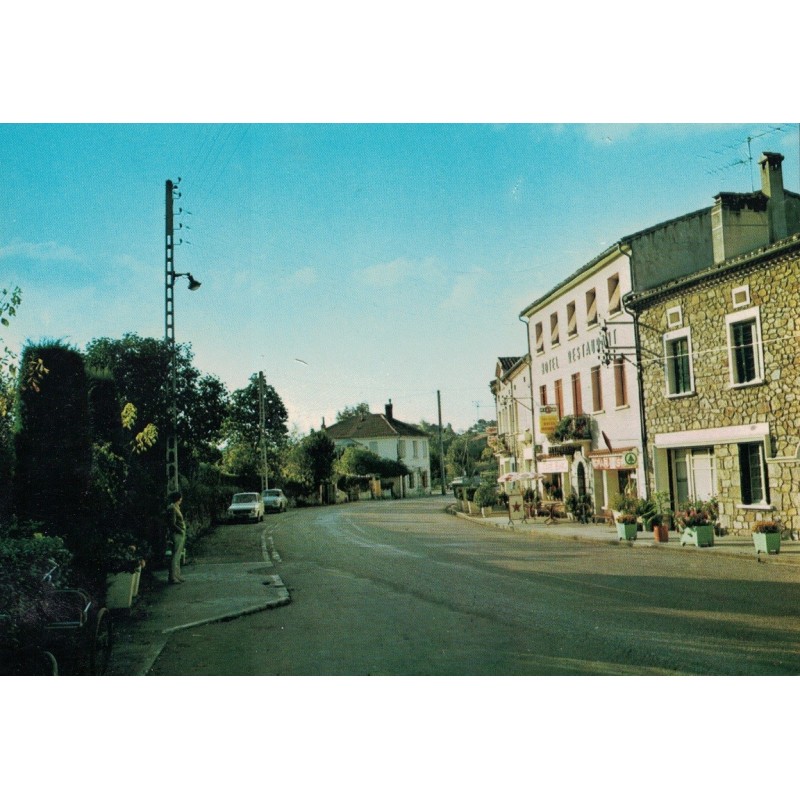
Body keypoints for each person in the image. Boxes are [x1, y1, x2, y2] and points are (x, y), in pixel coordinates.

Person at [166, 490, 186, 584]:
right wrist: (181, 530)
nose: (181, 499)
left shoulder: (176, 507)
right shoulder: (173, 508)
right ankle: (173, 577)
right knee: (175, 555)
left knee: (177, 555)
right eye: (180, 497)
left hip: (180, 534)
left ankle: (177, 575)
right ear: (178, 498)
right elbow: (172, 523)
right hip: (177, 534)